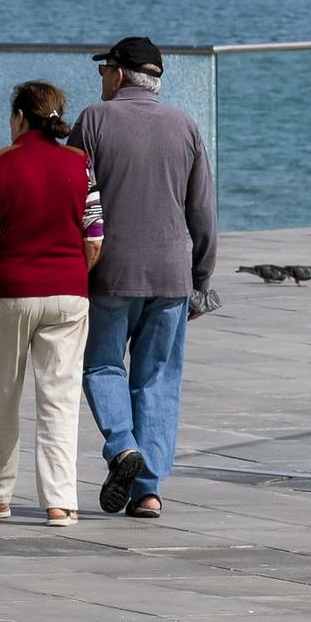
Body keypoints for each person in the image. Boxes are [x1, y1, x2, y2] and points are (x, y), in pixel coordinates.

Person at [67, 36, 217, 519]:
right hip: (173, 276)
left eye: (103, 71)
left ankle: (123, 446)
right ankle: (148, 490)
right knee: (157, 379)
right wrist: (201, 280)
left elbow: (70, 201)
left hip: (109, 272)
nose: (101, 81)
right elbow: (203, 213)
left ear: (117, 72)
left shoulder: (93, 121)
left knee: (102, 365)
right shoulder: (186, 126)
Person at [0, 80, 102, 527]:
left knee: (2, 393)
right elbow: (94, 234)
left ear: (19, 117)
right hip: (69, 294)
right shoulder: (80, 162)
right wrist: (75, 276)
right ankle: (60, 503)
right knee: (60, 398)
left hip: (9, 294)